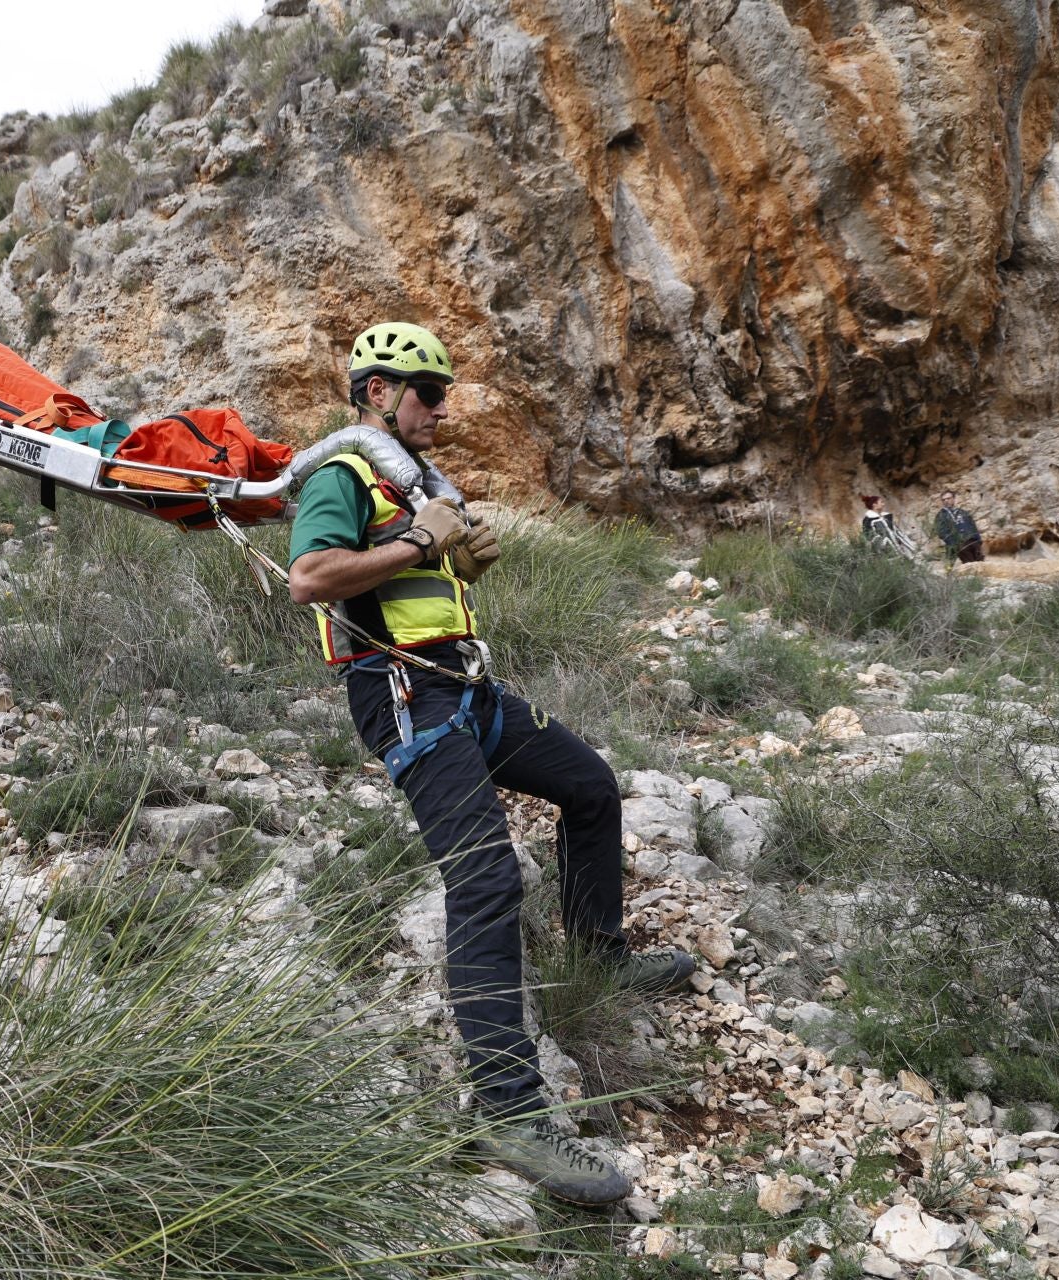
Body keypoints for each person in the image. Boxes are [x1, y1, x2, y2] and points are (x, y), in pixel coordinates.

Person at [286, 322, 691, 1206]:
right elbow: (311, 577)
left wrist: (454, 559)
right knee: (484, 881)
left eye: (444, 394)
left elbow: (411, 583)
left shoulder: (415, 483)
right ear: (375, 393)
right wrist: (424, 546)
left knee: (589, 786)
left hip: (465, 687)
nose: (440, 408)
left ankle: (600, 950)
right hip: (400, 694)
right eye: (426, 393)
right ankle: (508, 1110)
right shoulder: (342, 474)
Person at [932, 490, 983, 564]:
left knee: (980, 564)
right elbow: (941, 532)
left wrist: (978, 540)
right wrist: (954, 543)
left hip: (973, 542)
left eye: (948, 498)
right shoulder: (941, 515)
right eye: (944, 500)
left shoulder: (962, 512)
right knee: (970, 564)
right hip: (960, 544)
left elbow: (972, 525)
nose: (946, 501)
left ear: (953, 499)